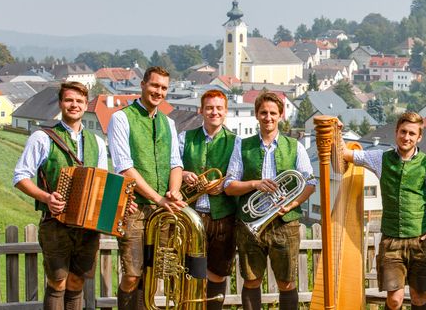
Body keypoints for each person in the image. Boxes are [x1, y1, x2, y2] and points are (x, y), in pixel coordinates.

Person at [13, 82, 109, 310]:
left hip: (88, 227)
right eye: (69, 100)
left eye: (79, 101)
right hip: (55, 223)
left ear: (86, 105)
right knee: (57, 282)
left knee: (76, 282)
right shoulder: (42, 137)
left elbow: (104, 182)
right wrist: (47, 198)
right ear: (60, 104)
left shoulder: (97, 142)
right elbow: (20, 177)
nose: (74, 105)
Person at [341, 111, 426, 310]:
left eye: (412, 134)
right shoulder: (380, 158)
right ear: (396, 132)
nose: (407, 137)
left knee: (418, 297)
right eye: (403, 132)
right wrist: (336, 131)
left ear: (419, 137)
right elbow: (346, 154)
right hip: (391, 240)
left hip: (420, 240)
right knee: (394, 300)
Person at [224, 91, 316, 310]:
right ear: (257, 115)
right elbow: (228, 186)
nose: (268, 117)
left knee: (286, 282)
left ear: (281, 115)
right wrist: (255, 184)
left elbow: (310, 183)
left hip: (285, 224)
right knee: (251, 280)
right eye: (263, 112)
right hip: (250, 223)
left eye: (273, 113)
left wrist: (292, 204)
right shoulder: (242, 145)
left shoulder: (296, 146)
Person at [108, 66, 186, 310]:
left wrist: (173, 192)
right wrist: (158, 199)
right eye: (154, 86)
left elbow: (176, 164)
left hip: (162, 211)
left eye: (163, 88)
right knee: (132, 274)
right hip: (134, 209)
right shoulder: (121, 118)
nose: (158, 92)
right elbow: (125, 168)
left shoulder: (169, 123)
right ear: (142, 85)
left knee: (152, 275)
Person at [178, 89, 238, 309]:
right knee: (189, 271)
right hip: (191, 214)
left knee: (217, 273)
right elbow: (173, 169)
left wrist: (222, 184)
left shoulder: (236, 142)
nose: (214, 112)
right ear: (200, 110)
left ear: (225, 112)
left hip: (222, 216)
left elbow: (236, 176)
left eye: (219, 108)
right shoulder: (185, 137)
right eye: (210, 108)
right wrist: (184, 175)